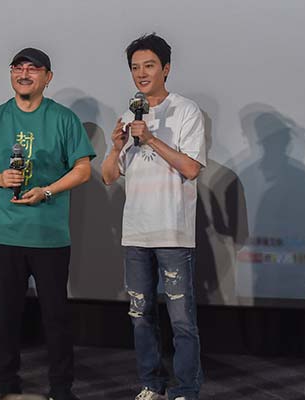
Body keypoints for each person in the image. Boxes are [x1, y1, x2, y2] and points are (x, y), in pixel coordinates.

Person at [0, 47, 95, 400]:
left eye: (33, 69)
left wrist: (47, 191)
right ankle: (6, 385)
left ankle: (61, 388)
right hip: (6, 234)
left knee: (57, 317)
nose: (24, 74)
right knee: (6, 317)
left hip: (50, 235)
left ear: (47, 77)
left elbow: (83, 169)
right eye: (18, 68)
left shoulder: (63, 119)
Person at [102, 33, 206, 400]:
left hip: (173, 231)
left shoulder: (187, 111)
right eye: (135, 67)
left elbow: (191, 168)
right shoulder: (128, 115)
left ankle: (187, 389)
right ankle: (151, 383)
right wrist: (116, 148)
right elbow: (109, 176)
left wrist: (150, 140)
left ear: (166, 68)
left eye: (149, 66)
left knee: (182, 320)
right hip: (136, 232)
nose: (141, 74)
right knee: (140, 315)